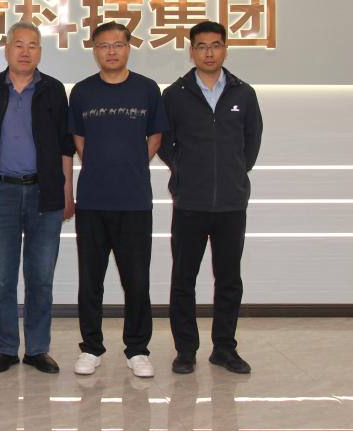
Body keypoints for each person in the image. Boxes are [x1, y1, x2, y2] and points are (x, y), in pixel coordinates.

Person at [0, 21, 74, 374]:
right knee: (1, 277)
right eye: (19, 44)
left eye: (32, 45)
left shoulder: (54, 90)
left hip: (46, 193)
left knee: (41, 276)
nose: (25, 51)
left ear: (40, 52)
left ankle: (38, 349)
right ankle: (6, 348)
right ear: (7, 48)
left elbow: (65, 147)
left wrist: (67, 191)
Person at [158, 20, 263, 375]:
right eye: (201, 46)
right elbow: (166, 144)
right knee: (183, 279)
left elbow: (251, 142)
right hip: (190, 202)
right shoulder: (175, 95)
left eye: (215, 45)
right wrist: (185, 170)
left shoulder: (243, 94)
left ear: (225, 50)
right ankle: (186, 350)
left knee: (229, 279)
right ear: (191, 51)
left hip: (231, 204)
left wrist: (234, 171)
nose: (208, 53)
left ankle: (224, 348)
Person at [68, 21, 167, 378]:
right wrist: (100, 165)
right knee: (90, 280)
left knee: (137, 280)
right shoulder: (82, 92)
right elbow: (79, 139)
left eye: (118, 44)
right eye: (103, 45)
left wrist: (133, 164)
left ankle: (137, 349)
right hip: (92, 200)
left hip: (134, 200)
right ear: (94, 50)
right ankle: (91, 348)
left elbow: (155, 135)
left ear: (128, 47)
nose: (111, 51)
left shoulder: (147, 89)